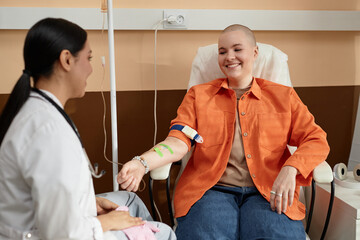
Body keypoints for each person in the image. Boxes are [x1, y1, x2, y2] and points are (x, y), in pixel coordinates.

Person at [118, 24, 330, 239]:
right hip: (211, 191)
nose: (229, 57)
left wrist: (291, 169)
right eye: (222, 52)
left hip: (268, 191)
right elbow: (178, 141)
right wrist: (141, 163)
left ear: (255, 53)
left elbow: (316, 139)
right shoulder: (198, 96)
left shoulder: (283, 97)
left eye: (237, 50)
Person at [0, 18, 176, 240]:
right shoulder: (49, 131)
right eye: (88, 58)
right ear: (66, 59)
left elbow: (43, 192)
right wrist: (104, 222)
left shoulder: (40, 109)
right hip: (54, 234)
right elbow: (61, 233)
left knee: (129, 201)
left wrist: (89, 203)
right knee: (164, 233)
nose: (91, 68)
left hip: (45, 221)